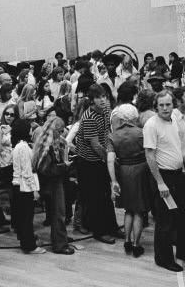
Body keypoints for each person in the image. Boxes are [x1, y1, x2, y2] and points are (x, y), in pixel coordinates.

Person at [143, 90, 185, 272]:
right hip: (163, 176)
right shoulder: (151, 125)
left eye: (168, 104)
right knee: (165, 220)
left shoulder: (174, 120)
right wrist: (160, 182)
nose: (165, 108)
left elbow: (175, 146)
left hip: (178, 174)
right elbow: (150, 155)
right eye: (161, 105)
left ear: (173, 105)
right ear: (156, 106)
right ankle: (163, 258)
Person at [74, 85, 118, 244]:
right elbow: (95, 145)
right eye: (99, 97)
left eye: (104, 96)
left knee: (106, 196)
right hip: (88, 162)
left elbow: (106, 134)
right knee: (95, 198)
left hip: (100, 159)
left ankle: (111, 226)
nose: (103, 100)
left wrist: (110, 152)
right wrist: (109, 159)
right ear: (91, 100)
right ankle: (99, 231)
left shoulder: (106, 111)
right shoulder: (89, 117)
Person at [107, 105, 150, 258]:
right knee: (139, 210)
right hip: (141, 171)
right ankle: (137, 245)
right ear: (133, 117)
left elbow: (110, 161)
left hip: (124, 172)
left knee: (128, 209)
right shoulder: (141, 133)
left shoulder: (113, 136)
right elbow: (150, 154)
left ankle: (126, 240)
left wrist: (113, 181)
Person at [32, 116, 76, 254]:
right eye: (61, 130)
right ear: (55, 130)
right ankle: (60, 244)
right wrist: (64, 166)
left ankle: (60, 238)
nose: (63, 133)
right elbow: (47, 170)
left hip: (52, 182)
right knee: (59, 213)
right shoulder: (47, 147)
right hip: (52, 183)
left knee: (58, 213)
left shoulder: (46, 144)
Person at [11, 119, 43, 254]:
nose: (31, 131)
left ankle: (27, 240)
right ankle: (29, 245)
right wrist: (34, 189)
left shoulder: (19, 146)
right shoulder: (23, 148)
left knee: (24, 216)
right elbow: (27, 171)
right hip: (24, 186)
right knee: (26, 216)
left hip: (20, 185)